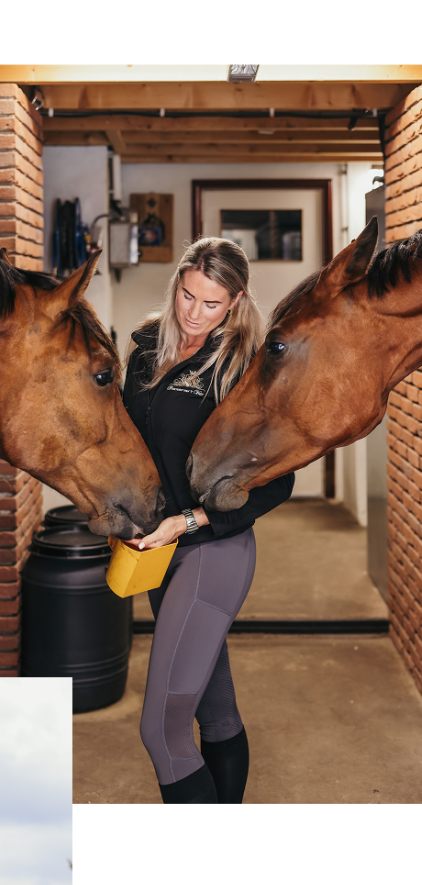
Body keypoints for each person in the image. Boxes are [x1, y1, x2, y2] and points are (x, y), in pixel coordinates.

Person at [121, 236, 292, 804]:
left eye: (212, 303)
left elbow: (277, 480)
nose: (194, 313)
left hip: (211, 551)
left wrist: (187, 522)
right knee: (215, 712)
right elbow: (130, 444)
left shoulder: (248, 367)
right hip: (158, 550)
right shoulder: (146, 346)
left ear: (236, 301)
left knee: (162, 730)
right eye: (187, 295)